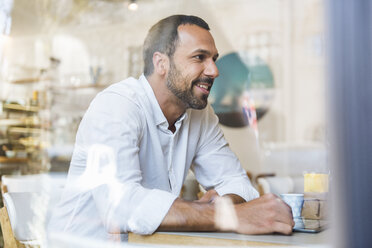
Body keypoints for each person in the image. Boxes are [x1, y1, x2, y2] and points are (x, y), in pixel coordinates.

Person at [48, 15, 294, 242]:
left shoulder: (200, 115)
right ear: (161, 63)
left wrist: (221, 205)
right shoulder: (117, 105)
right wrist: (231, 216)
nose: (214, 71)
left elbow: (237, 183)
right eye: (200, 57)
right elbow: (120, 206)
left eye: (214, 59)